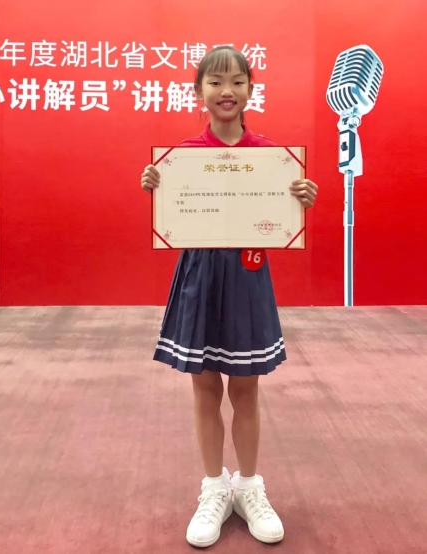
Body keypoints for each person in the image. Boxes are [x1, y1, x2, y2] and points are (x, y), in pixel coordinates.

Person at [141, 46, 318, 548]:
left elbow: (281, 216)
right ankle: (214, 488)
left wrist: (302, 198)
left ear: (250, 90)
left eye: (238, 81)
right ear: (198, 91)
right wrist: (156, 186)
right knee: (204, 388)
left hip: (247, 274)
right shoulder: (180, 158)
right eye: (216, 82)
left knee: (246, 388)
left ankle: (249, 487)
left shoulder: (273, 157)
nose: (227, 91)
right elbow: (172, 213)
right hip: (200, 274)